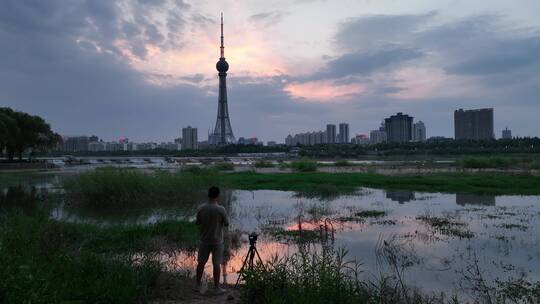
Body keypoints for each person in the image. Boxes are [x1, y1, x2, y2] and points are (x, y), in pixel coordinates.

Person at [194, 186, 229, 294]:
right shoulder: (221, 209)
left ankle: (197, 285)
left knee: (201, 263)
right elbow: (226, 223)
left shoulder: (201, 208)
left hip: (204, 240)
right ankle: (217, 288)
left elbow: (198, 222)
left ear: (208, 194)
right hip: (217, 241)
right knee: (216, 264)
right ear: (218, 196)